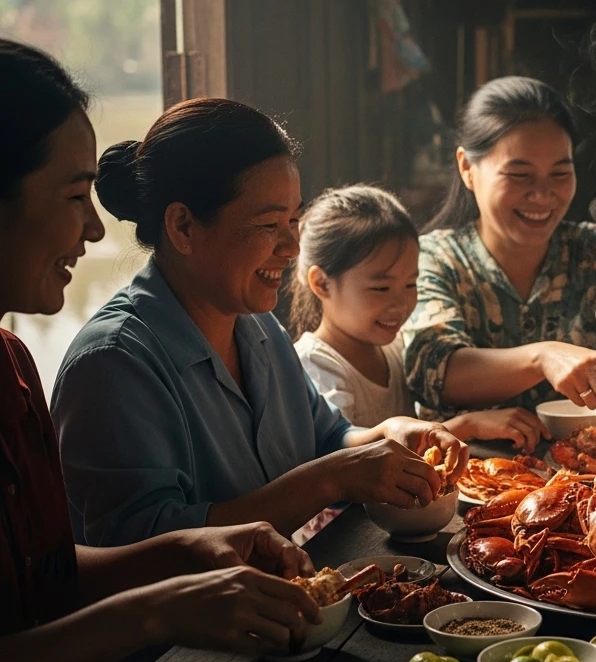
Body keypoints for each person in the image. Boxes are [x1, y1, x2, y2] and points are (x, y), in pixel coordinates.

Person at [0, 38, 319, 662]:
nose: (93, 228)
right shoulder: (112, 360)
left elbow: (44, 575)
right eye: (72, 195)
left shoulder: (13, 364)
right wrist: (163, 605)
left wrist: (187, 550)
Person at [50, 97, 467, 547]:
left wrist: (386, 435)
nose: (291, 246)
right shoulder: (115, 364)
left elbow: (327, 436)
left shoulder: (258, 326)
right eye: (269, 225)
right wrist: (329, 481)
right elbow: (140, 549)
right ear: (183, 227)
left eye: (294, 219)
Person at [402, 76, 596, 424]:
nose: (542, 195)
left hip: (595, 473)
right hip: (470, 471)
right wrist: (542, 358)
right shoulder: (434, 258)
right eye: (519, 176)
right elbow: (434, 367)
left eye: (560, 173)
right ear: (467, 168)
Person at [290, 184, 549, 450]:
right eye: (381, 288)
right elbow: (352, 461)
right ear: (322, 283)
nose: (401, 303)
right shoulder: (315, 365)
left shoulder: (396, 346)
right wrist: (467, 426)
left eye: (411, 284)